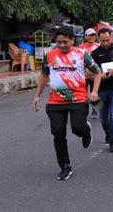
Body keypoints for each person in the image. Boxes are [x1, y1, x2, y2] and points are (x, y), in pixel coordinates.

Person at [32, 26, 101, 180]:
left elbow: (97, 72)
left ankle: (85, 130)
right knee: (58, 133)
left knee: (77, 128)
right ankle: (65, 165)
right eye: (59, 42)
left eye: (65, 42)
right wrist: (37, 96)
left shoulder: (82, 54)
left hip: (78, 98)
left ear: (72, 40)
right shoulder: (50, 56)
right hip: (55, 101)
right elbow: (44, 75)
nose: (62, 45)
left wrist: (94, 92)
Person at [79, 28, 100, 119]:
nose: (92, 37)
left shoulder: (99, 46)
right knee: (83, 93)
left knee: (95, 92)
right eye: (89, 35)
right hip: (84, 75)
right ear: (85, 36)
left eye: (93, 35)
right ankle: (84, 110)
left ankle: (95, 110)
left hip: (95, 75)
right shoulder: (81, 48)